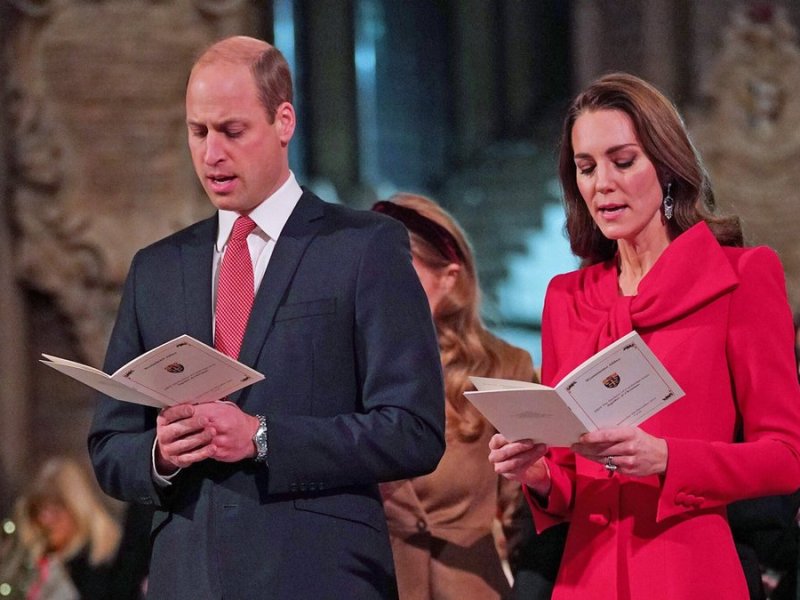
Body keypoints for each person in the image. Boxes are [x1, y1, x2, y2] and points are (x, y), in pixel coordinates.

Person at [88, 36, 445, 600]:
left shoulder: (363, 248)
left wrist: (260, 436)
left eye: (232, 131)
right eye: (197, 132)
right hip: (188, 580)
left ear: (284, 121)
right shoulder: (156, 269)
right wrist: (159, 453)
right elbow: (109, 446)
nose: (211, 154)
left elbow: (414, 431)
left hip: (319, 577)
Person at [487, 72, 800, 599]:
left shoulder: (742, 278)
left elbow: (786, 457)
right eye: (585, 168)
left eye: (622, 161)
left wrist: (669, 460)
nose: (601, 183)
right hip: (583, 581)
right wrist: (536, 473)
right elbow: (569, 481)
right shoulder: (568, 297)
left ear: (668, 168)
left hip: (692, 574)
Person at [372, 194, 537, 599]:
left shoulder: (504, 368)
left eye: (397, 268)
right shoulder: (335, 368)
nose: (378, 284)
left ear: (448, 278)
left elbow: (526, 517)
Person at [6, 456, 121, 600]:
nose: (44, 519)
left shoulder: (109, 563)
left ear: (78, 508)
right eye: (38, 509)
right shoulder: (35, 563)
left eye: (55, 509)